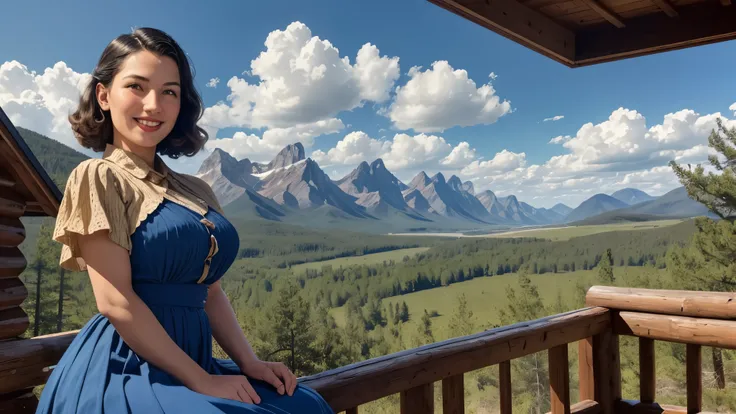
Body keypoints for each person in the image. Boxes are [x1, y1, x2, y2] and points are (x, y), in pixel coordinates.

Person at [35, 27, 334, 414]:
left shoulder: (196, 189)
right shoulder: (98, 176)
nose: (154, 104)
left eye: (169, 91)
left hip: (193, 361)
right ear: (103, 95)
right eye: (137, 87)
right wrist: (201, 380)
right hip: (127, 366)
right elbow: (116, 301)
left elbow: (211, 293)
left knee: (306, 404)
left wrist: (249, 362)